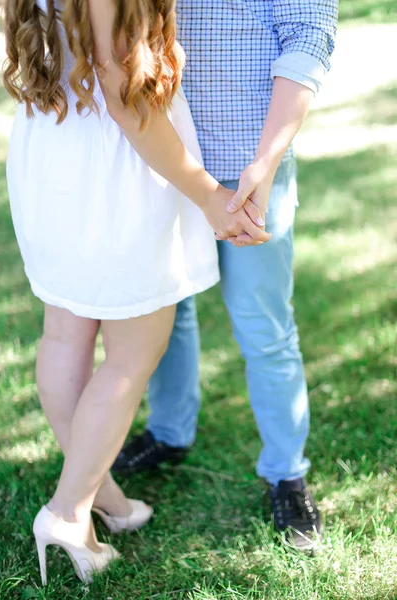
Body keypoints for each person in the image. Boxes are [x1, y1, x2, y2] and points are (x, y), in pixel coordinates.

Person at [4, 0, 269, 585]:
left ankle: (106, 500)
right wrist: (206, 195)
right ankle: (70, 511)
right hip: (116, 168)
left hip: (55, 146)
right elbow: (123, 94)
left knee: (65, 334)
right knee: (133, 352)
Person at [113, 0, 339, 550]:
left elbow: (308, 36)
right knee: (169, 309)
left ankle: (286, 472)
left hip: (253, 168)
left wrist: (263, 164)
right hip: (163, 163)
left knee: (264, 323)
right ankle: (169, 431)